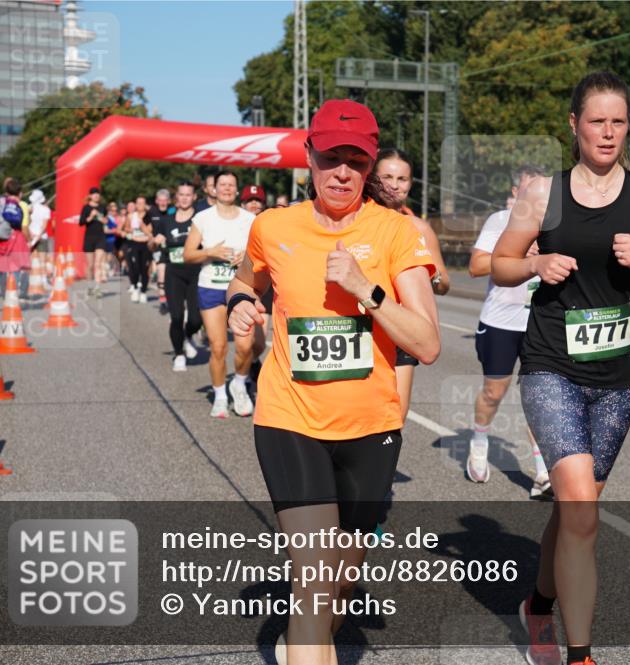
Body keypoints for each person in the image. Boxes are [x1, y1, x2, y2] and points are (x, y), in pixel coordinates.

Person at [226, 99, 439, 665]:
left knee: (341, 580)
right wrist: (241, 305)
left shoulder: (397, 233)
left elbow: (427, 343)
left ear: (370, 168)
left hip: (370, 427)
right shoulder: (272, 226)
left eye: (357, 161)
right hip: (289, 418)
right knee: (315, 580)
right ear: (308, 156)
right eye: (331, 158)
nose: (343, 173)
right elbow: (245, 279)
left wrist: (368, 290)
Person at [492, 72, 630, 665]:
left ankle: (538, 605)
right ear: (574, 125)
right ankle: (581, 654)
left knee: (578, 512)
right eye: (596, 121)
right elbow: (499, 263)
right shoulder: (541, 194)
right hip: (551, 365)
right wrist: (535, 263)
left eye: (618, 121)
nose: (608, 132)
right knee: (579, 505)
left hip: (618, 378)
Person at [468, 164, 553, 498]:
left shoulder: (556, 226)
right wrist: (517, 256)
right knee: (494, 392)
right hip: (500, 322)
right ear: (516, 193)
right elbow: (475, 266)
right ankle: (478, 441)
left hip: (540, 323)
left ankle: (543, 474)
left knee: (538, 398)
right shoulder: (500, 221)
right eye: (525, 191)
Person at [373, 147, 450, 420]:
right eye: (387, 177)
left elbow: (443, 282)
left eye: (402, 179)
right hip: (365, 326)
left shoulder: (419, 228)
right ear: (373, 178)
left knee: (395, 415)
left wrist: (428, 274)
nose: (394, 185)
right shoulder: (358, 220)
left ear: (410, 184)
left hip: (401, 327)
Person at [183, 171, 257, 419]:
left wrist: (247, 256)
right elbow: (188, 254)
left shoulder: (250, 218)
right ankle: (220, 395)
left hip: (242, 287)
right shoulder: (203, 218)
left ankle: (239, 383)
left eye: (231, 185)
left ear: (237, 190)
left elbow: (262, 251)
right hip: (211, 287)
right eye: (221, 185)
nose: (226, 188)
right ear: (213, 190)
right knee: (218, 347)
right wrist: (210, 252)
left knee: (246, 347)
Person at [152, 182, 204, 372]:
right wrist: (155, 241)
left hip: (196, 272)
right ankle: (179, 354)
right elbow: (153, 247)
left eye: (188, 195)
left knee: (197, 319)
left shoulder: (200, 220)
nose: (184, 198)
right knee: (176, 316)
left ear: (194, 197)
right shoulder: (165, 221)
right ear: (176, 197)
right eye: (181, 194)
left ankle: (188, 335)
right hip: (174, 273)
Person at [240, 183, 270, 381]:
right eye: (250, 201)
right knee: (242, 343)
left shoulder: (270, 224)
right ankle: (240, 380)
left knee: (259, 344)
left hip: (265, 285)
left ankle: (250, 364)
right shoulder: (234, 222)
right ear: (243, 203)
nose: (254, 204)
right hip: (240, 283)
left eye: (257, 201)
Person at [0, 177, 32, 300]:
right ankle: (11, 300)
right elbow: (24, 227)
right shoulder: (22, 205)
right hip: (15, 240)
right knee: (14, 270)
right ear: (20, 193)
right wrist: (29, 240)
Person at [122, 195, 153, 303]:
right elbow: (125, 227)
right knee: (134, 268)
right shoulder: (131, 216)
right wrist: (130, 229)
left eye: (142, 203)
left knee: (144, 270)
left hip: (145, 244)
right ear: (135, 204)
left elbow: (150, 230)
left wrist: (142, 225)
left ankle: (143, 292)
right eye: (138, 203)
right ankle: (135, 288)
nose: (140, 205)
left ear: (145, 204)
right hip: (134, 243)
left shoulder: (150, 216)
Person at [80, 187, 108, 298]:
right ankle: (89, 286)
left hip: (100, 237)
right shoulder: (86, 208)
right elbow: (81, 222)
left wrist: (102, 218)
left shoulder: (102, 207)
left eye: (98, 194)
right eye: (94, 194)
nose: (96, 196)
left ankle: (97, 288)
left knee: (98, 264)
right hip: (89, 238)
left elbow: (106, 221)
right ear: (90, 196)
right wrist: (91, 216)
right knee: (90, 265)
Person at [148, 188, 172, 314]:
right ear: (157, 201)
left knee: (171, 275)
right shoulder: (152, 211)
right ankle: (163, 301)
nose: (163, 203)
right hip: (158, 247)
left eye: (165, 200)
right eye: (160, 200)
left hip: (172, 247)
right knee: (161, 272)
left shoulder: (174, 210)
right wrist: (151, 238)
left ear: (169, 201)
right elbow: (143, 224)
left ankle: (173, 298)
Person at [27, 189, 51, 295]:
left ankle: (26, 282)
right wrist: (39, 235)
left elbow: (25, 223)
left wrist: (31, 235)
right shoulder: (46, 209)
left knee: (28, 260)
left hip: (30, 236)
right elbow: (45, 225)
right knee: (42, 260)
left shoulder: (28, 208)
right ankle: (44, 281)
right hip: (42, 236)